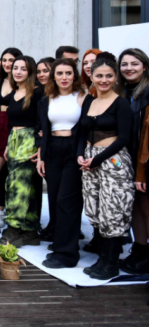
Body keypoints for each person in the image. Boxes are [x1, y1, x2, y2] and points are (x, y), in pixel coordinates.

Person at [77, 52, 135, 280]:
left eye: (109, 76)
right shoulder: (89, 101)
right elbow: (82, 132)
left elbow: (123, 138)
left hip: (113, 161)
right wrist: (80, 155)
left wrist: (97, 160)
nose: (103, 80)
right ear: (91, 76)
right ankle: (102, 259)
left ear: (115, 77)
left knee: (113, 210)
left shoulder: (121, 104)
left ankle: (111, 264)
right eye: (99, 75)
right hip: (89, 161)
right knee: (94, 208)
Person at [37, 59, 87, 269]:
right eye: (60, 73)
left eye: (68, 73)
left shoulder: (84, 97)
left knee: (68, 200)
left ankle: (68, 253)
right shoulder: (46, 100)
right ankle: (60, 245)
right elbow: (43, 131)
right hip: (52, 151)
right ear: (53, 76)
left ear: (74, 75)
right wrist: (40, 157)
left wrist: (81, 154)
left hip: (73, 151)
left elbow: (86, 129)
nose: (64, 77)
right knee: (56, 199)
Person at [0, 55, 44, 247]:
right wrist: (7, 145)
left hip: (29, 141)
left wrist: (40, 147)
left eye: (23, 68)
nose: (18, 72)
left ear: (30, 72)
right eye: (15, 68)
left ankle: (13, 230)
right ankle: (30, 230)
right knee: (24, 187)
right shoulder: (13, 93)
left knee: (17, 186)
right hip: (14, 140)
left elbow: (42, 122)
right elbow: (10, 121)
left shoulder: (38, 93)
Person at [117, 48, 149, 274]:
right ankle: (140, 248)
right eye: (124, 64)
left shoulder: (147, 93)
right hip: (127, 159)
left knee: (146, 207)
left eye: (134, 64)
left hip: (144, 160)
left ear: (145, 66)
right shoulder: (123, 93)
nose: (128, 68)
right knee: (135, 207)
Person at [0, 47, 23, 233]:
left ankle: (12, 218)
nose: (8, 64)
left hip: (16, 129)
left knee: (12, 177)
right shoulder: (0, 81)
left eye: (12, 60)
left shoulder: (22, 82)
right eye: (5, 60)